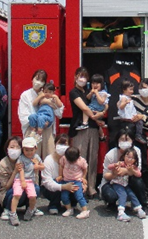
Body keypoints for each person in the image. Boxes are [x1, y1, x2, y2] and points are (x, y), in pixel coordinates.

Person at [69, 67, 104, 197]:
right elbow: (84, 108)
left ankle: (91, 188)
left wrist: (101, 114)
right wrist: (97, 118)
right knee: (79, 158)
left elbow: (101, 104)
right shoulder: (74, 92)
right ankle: (79, 188)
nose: (82, 79)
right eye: (80, 76)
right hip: (80, 128)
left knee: (92, 158)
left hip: (93, 128)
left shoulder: (90, 92)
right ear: (75, 77)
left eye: (85, 76)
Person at [18, 69, 63, 160]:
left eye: (42, 81)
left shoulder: (50, 94)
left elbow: (60, 113)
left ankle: (48, 174)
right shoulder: (25, 95)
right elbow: (23, 115)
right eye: (37, 79)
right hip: (33, 128)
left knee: (49, 156)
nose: (38, 82)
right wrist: (38, 122)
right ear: (32, 79)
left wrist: (51, 103)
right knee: (32, 158)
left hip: (47, 128)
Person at [100, 132, 147, 212]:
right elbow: (105, 175)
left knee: (139, 182)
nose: (124, 142)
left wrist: (126, 171)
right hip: (113, 182)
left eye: (127, 139)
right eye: (122, 139)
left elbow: (138, 170)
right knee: (110, 195)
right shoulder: (111, 154)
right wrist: (114, 174)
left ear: (132, 141)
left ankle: (142, 204)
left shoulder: (136, 151)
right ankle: (111, 203)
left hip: (128, 181)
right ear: (117, 141)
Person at [40, 134, 82, 215]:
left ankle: (72, 204)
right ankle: (54, 204)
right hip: (51, 187)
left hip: (69, 183)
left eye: (65, 144)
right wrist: (63, 187)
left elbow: (81, 171)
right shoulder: (48, 160)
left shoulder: (73, 159)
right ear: (55, 144)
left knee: (78, 185)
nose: (62, 146)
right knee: (55, 183)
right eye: (60, 143)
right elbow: (47, 182)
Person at [8, 137, 43, 226]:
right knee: (17, 194)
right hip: (19, 179)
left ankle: (30, 210)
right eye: (26, 150)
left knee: (33, 196)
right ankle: (13, 213)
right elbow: (21, 170)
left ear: (35, 149)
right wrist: (22, 181)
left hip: (30, 181)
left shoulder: (36, 157)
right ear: (23, 149)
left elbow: (42, 166)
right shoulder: (21, 158)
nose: (29, 152)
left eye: (31, 150)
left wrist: (37, 166)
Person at [106, 148, 146, 221]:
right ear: (124, 156)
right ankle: (121, 213)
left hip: (125, 184)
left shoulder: (133, 166)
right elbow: (109, 167)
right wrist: (115, 165)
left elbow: (139, 174)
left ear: (135, 160)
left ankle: (138, 209)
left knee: (131, 194)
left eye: (132, 158)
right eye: (128, 156)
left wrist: (132, 171)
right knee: (123, 194)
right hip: (116, 183)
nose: (129, 159)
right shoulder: (121, 163)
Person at [58, 146, 91, 219]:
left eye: (73, 161)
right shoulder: (64, 158)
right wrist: (60, 175)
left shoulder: (81, 160)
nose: (70, 162)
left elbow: (85, 168)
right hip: (66, 180)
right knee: (64, 196)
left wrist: (83, 178)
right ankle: (69, 209)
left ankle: (85, 210)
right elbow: (61, 166)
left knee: (79, 195)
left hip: (77, 180)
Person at [117, 79, 146, 144]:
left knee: (139, 122)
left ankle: (138, 135)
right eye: (130, 89)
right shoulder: (124, 98)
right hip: (127, 119)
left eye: (132, 89)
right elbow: (121, 106)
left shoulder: (128, 97)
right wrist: (125, 103)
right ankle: (138, 135)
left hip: (131, 118)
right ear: (124, 89)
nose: (132, 91)